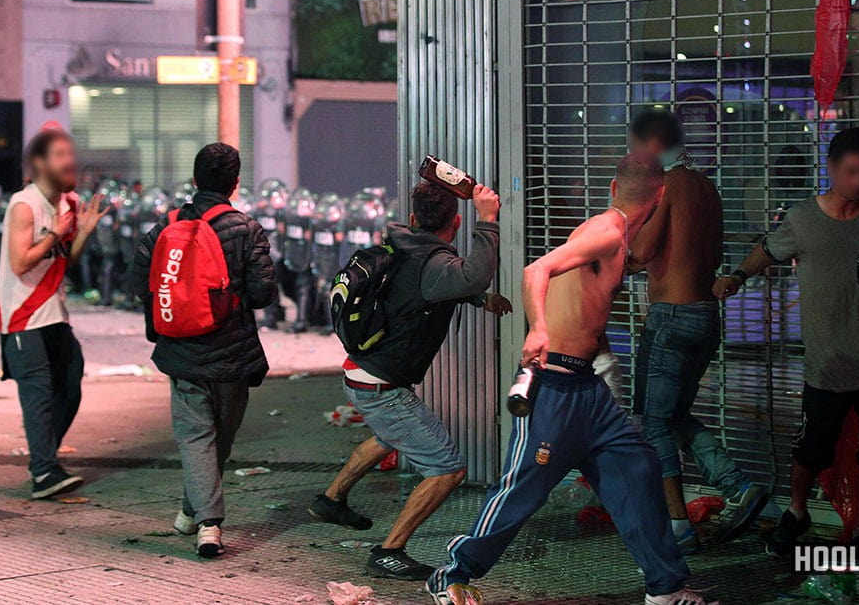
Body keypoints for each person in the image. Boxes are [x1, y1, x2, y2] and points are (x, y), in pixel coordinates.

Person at [428, 153, 718, 605]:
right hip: (553, 390)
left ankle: (665, 588)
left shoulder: (619, 240)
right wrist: (539, 327)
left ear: (613, 187)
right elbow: (535, 270)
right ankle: (452, 574)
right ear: (660, 197)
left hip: (590, 391)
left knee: (639, 469)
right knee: (523, 489)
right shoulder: (605, 231)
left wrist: (603, 364)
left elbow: (586, 311)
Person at [713, 127, 859, 555]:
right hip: (826, 365)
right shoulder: (803, 219)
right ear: (832, 169)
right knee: (811, 449)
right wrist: (738, 276)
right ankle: (798, 512)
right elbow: (768, 248)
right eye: (851, 171)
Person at [309, 180, 511, 580]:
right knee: (447, 469)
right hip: (382, 387)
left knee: (390, 436)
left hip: (362, 371)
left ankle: (331, 500)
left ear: (414, 218)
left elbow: (429, 288)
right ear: (455, 223)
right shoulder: (435, 262)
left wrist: (477, 300)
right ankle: (389, 551)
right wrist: (488, 219)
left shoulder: (405, 245)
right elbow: (470, 275)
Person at [627, 110, 768, 553]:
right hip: (705, 315)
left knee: (654, 423)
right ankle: (738, 487)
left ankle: (677, 528)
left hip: (672, 314)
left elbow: (645, 250)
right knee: (676, 415)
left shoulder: (671, 184)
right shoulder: (709, 188)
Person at [133, 143, 277, 558]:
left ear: (195, 181)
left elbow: (142, 282)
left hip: (181, 350)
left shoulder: (165, 225)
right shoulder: (246, 229)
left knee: (200, 440)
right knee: (217, 438)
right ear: (235, 183)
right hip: (232, 354)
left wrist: (163, 322)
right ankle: (209, 525)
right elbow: (263, 293)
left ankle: (189, 510)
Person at [0, 126, 109, 499]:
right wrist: (55, 234)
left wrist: (82, 232)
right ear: (40, 164)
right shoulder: (24, 204)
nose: (70, 161)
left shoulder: (68, 205)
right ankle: (44, 471)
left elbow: (65, 260)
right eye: (60, 155)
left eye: (70, 153)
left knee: (70, 383)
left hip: (55, 311)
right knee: (39, 392)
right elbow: (18, 263)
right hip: (23, 316)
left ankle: (46, 459)